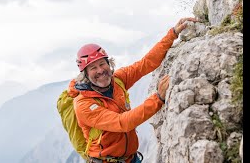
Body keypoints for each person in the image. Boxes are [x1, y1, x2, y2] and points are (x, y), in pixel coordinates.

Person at [67, 17, 197, 163]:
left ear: (109, 63)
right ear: (85, 73)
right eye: (93, 68)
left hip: (131, 159)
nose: (100, 70)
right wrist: (158, 99)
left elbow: (145, 64)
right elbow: (123, 122)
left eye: (102, 64)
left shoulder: (117, 80)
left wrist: (172, 34)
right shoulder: (84, 104)